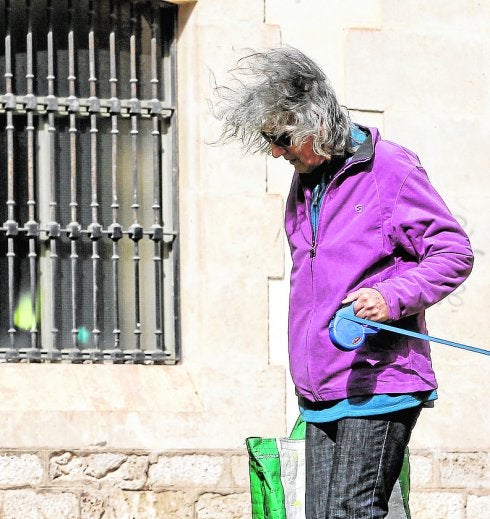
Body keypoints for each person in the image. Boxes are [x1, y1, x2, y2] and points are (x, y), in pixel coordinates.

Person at [213, 47, 474, 518]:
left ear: (314, 123)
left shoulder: (390, 169)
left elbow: (453, 253)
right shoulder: (306, 181)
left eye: (281, 137)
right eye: (266, 138)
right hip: (320, 386)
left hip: (380, 379)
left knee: (353, 513)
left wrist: (390, 297)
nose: (275, 150)